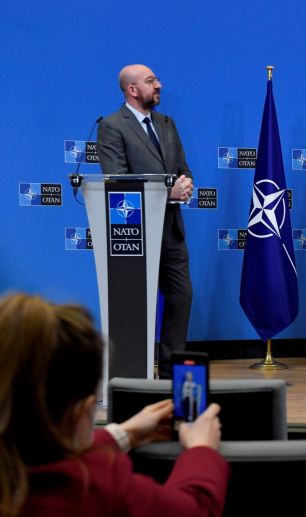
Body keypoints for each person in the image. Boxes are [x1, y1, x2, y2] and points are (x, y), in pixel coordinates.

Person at [0, 293, 229, 516]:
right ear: (82, 412)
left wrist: (123, 434)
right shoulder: (97, 487)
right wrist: (201, 450)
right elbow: (193, 509)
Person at [97, 64, 194, 378]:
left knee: (182, 296)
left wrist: (185, 184)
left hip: (171, 230)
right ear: (132, 90)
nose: (159, 85)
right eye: (151, 81)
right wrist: (167, 192)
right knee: (135, 304)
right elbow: (117, 180)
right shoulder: (112, 126)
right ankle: (132, 374)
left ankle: (170, 373)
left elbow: (183, 169)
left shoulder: (167, 124)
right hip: (135, 232)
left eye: (157, 80)